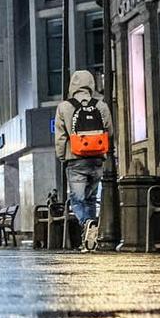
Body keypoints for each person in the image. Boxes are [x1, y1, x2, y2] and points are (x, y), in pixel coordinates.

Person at [55, 68, 114, 250]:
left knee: (77, 200)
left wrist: (62, 156)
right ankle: (89, 239)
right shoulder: (101, 105)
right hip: (97, 158)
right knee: (90, 198)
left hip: (75, 158)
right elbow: (109, 131)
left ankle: (87, 222)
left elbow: (60, 136)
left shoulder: (64, 107)